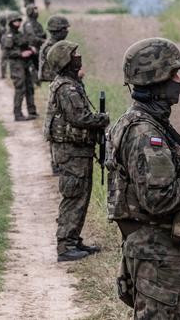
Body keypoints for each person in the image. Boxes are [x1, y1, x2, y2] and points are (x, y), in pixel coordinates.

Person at [105, 38, 180, 319]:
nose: (178, 80)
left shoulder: (141, 122)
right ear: (155, 80)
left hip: (155, 252)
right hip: (158, 255)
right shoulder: (146, 134)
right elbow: (158, 197)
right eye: (172, 74)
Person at [44, 40, 109, 261]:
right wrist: (102, 119)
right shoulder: (66, 88)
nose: (78, 57)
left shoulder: (69, 83)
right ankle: (66, 245)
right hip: (71, 151)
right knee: (74, 195)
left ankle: (73, 239)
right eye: (74, 54)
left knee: (81, 195)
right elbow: (79, 117)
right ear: (65, 60)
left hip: (76, 150)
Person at [1, 12, 38, 121]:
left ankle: (32, 112)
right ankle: (18, 114)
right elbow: (7, 53)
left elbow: (25, 44)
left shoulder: (20, 34)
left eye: (19, 20)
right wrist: (20, 54)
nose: (18, 22)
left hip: (25, 63)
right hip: (16, 64)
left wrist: (31, 50)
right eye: (15, 20)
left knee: (29, 87)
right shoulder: (9, 36)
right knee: (20, 88)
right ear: (10, 22)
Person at [39, 15, 71, 83]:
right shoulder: (51, 47)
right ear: (56, 31)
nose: (66, 31)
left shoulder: (57, 44)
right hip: (56, 80)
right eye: (64, 29)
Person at [23, 5, 47, 86]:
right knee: (33, 67)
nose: (37, 12)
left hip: (39, 48)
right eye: (35, 10)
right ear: (30, 12)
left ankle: (38, 82)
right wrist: (44, 40)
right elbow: (32, 38)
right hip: (31, 49)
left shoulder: (37, 24)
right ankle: (35, 83)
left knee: (39, 66)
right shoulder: (28, 24)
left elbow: (42, 35)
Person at [0, 14, 8, 79]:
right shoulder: (5, 29)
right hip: (6, 46)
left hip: (3, 46)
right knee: (5, 60)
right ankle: (4, 74)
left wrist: (0, 43)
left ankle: (3, 74)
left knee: (3, 60)